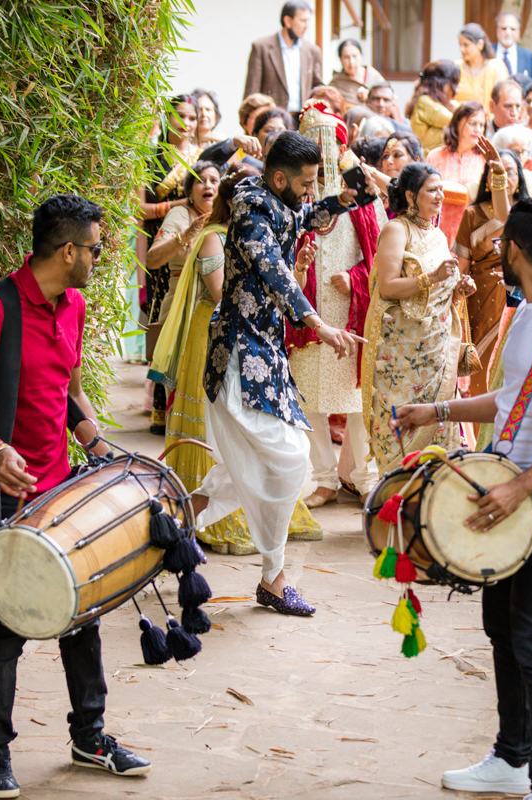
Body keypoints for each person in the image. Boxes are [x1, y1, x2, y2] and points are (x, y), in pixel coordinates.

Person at [389, 198, 532, 800]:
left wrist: (520, 487)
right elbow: (510, 401)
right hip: (508, 491)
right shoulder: (530, 310)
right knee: (501, 625)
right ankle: (512, 758)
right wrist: (436, 410)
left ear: (511, 248)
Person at [0, 195, 150, 798]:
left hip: (61, 484)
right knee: (7, 620)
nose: (98, 257)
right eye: (94, 248)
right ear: (68, 251)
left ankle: (90, 735)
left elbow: (68, 389)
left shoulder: (77, 305)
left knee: (80, 608)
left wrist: (93, 439)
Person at [195, 133, 370, 617]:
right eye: (307, 183)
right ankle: (274, 577)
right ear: (278, 178)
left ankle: (174, 520)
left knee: (246, 462)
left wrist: (344, 200)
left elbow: (304, 217)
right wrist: (319, 325)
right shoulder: (252, 210)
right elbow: (275, 271)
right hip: (237, 351)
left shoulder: (278, 200)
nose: (311, 192)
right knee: (288, 459)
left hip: (265, 351)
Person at [158, 166, 322, 555]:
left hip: (263, 351)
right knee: (257, 449)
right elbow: (226, 295)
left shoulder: (265, 233)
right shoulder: (220, 238)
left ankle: (190, 512)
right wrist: (318, 323)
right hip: (225, 343)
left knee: (268, 454)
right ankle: (266, 565)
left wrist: (293, 270)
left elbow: (275, 290)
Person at [288, 103, 386, 508]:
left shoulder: (361, 196)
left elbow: (383, 256)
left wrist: (355, 278)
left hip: (351, 312)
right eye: (310, 144)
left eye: (324, 142)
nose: (318, 152)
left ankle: (365, 477)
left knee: (357, 402)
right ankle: (325, 477)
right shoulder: (293, 197)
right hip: (309, 313)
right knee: (309, 398)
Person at [361, 162, 475, 474]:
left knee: (437, 424)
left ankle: (432, 502)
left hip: (435, 352)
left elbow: (439, 291)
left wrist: (458, 287)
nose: (440, 196)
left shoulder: (436, 233)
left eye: (441, 189)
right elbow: (387, 286)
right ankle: (396, 498)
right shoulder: (397, 229)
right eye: (432, 190)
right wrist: (433, 277)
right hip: (401, 352)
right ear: (412, 195)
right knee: (402, 423)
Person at [139, 95, 204, 432]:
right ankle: (160, 409)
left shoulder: (200, 157)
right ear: (167, 119)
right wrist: (181, 204)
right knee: (162, 323)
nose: (188, 124)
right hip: (162, 244)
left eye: (192, 118)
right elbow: (141, 210)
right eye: (180, 116)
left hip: (194, 247)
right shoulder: (151, 159)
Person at [454, 147, 523, 399]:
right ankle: (478, 438)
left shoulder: (527, 214)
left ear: (519, 178)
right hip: (479, 302)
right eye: (497, 171)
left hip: (517, 301)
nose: (504, 178)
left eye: (509, 172)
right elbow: (463, 267)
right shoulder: (472, 215)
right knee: (480, 380)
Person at [243, 0, 324, 114]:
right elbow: (252, 92)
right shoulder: (261, 47)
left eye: (308, 21)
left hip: (303, 119)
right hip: (271, 119)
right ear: (288, 21)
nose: (307, 26)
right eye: (303, 20)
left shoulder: (313, 51)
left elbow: (317, 88)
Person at [425, 100, 488, 198]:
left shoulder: (486, 159)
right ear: (457, 122)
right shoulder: (435, 156)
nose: (478, 129)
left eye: (482, 125)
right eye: (472, 123)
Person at [456, 23, 511, 112]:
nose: (462, 49)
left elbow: (503, 99)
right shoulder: (456, 66)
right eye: (460, 45)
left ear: (480, 44)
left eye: (466, 45)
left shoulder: (496, 67)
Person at [408, 60, 461, 152]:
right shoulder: (424, 102)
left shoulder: (438, 102)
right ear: (442, 82)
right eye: (455, 82)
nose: (459, 86)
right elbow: (458, 121)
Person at [329, 38, 385, 111]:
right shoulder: (336, 83)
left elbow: (389, 100)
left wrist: (371, 96)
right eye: (346, 57)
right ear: (340, 59)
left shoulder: (374, 76)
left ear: (361, 56)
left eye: (355, 56)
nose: (351, 62)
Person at [494, 11, 532, 80]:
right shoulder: (488, 52)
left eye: (513, 29)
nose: (508, 32)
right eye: (504, 28)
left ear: (518, 32)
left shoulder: (529, 56)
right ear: (497, 30)